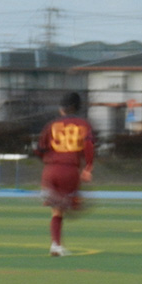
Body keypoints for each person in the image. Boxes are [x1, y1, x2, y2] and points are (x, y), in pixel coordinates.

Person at [36, 92, 94, 257]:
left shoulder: (51, 125)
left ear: (61, 108)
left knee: (56, 211)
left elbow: (40, 149)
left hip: (50, 170)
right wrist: (88, 168)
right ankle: (73, 203)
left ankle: (56, 245)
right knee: (69, 207)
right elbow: (89, 146)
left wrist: (48, 161)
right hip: (70, 170)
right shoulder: (84, 125)